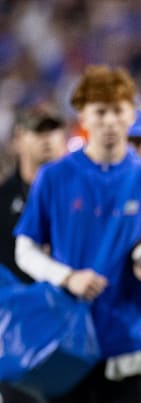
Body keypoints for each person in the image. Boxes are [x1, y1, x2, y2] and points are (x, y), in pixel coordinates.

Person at [13, 65, 141, 403]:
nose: (110, 121)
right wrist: (67, 277)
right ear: (83, 116)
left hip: (127, 339)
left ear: (131, 114)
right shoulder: (54, 177)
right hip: (65, 339)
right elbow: (24, 249)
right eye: (100, 111)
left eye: (118, 110)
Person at [0, 104, 66, 284]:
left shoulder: (80, 194)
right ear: (18, 140)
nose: (47, 138)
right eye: (38, 130)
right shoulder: (3, 198)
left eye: (53, 130)